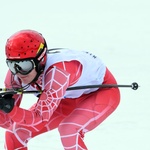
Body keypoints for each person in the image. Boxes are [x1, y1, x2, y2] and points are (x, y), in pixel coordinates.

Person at [0, 29, 120, 150]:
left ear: (40, 60)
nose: (19, 72)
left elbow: (40, 119)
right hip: (66, 98)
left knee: (68, 130)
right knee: (14, 134)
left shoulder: (58, 72)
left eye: (25, 65)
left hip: (100, 92)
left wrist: (9, 109)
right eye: (12, 65)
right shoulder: (14, 74)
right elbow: (7, 121)